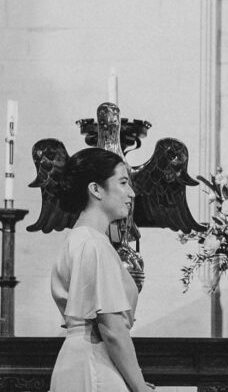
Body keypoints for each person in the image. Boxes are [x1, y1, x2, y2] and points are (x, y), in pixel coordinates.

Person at [49, 147, 152, 391]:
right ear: (96, 189)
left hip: (81, 361)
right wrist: (139, 386)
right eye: (123, 182)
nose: (132, 193)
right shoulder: (93, 244)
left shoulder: (80, 239)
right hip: (94, 363)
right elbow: (112, 329)